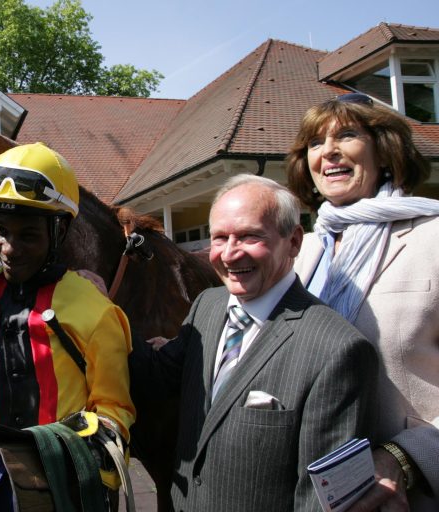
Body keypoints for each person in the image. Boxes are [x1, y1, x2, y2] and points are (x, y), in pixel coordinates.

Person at [130, 175, 378, 511]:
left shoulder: (337, 349)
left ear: (293, 242)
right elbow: (160, 373)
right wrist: (99, 312)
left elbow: (322, 501)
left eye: (249, 236)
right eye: (220, 238)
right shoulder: (207, 305)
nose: (230, 254)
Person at [0, 143, 135, 508]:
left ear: (61, 231)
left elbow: (115, 410)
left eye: (28, 235)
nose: (8, 247)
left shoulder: (95, 312)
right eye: (1, 230)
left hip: (64, 480)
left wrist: (82, 470)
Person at [288, 92, 439, 512]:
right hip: (309, 485)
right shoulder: (301, 252)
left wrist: (407, 458)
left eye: (348, 135)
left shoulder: (434, 238)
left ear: (385, 151)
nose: (328, 151)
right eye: (316, 143)